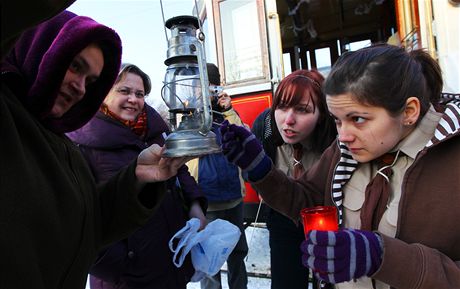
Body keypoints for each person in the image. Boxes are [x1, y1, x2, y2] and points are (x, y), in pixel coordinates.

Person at [219, 43, 460, 289]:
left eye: (358, 119)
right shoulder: (345, 150)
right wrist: (260, 168)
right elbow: (307, 203)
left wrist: (382, 256)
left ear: (409, 111)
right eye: (337, 121)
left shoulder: (452, 160)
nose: (344, 135)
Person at [0, 7, 191, 289]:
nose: (80, 87)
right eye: (74, 65)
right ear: (39, 50)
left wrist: (136, 178)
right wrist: (126, 268)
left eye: (91, 81)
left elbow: (85, 225)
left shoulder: (64, 148)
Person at [67, 63, 208, 289]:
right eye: (124, 91)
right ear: (103, 93)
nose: (133, 99)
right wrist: (124, 267)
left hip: (169, 264)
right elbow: (78, 224)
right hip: (125, 279)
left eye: (139, 94)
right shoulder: (82, 144)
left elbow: (179, 170)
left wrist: (195, 206)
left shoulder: (155, 132)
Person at [251, 69, 336, 289]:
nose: (288, 120)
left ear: (322, 114)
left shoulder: (336, 135)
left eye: (302, 110)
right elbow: (251, 166)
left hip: (325, 218)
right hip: (281, 216)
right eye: (282, 107)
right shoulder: (265, 127)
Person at [186, 63, 249, 289]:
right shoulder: (188, 115)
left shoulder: (227, 114)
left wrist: (229, 110)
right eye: (201, 86)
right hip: (207, 200)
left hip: (233, 197)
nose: (206, 91)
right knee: (208, 259)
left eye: (212, 86)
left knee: (237, 252)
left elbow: (244, 139)